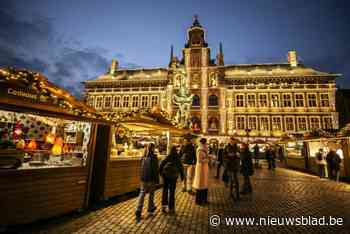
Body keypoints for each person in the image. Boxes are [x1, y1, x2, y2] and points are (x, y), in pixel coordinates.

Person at [135, 143, 159, 222]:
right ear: (152, 149)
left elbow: (141, 167)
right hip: (151, 178)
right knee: (151, 194)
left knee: (142, 193)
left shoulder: (143, 157)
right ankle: (150, 207)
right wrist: (157, 180)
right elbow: (156, 170)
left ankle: (138, 209)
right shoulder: (154, 157)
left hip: (143, 178)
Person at [159, 146, 185, 214]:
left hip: (166, 176)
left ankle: (163, 207)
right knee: (172, 192)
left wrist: (161, 173)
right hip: (173, 177)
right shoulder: (178, 158)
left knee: (165, 190)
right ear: (176, 150)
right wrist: (182, 177)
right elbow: (181, 168)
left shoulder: (168, 156)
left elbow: (161, 165)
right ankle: (171, 208)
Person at [193, 138, 209, 205]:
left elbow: (205, 157)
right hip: (200, 168)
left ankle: (204, 200)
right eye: (205, 143)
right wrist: (207, 160)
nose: (206, 144)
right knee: (200, 184)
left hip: (204, 168)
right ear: (203, 143)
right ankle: (198, 201)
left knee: (204, 184)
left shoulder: (204, 149)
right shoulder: (200, 149)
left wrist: (208, 158)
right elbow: (199, 160)